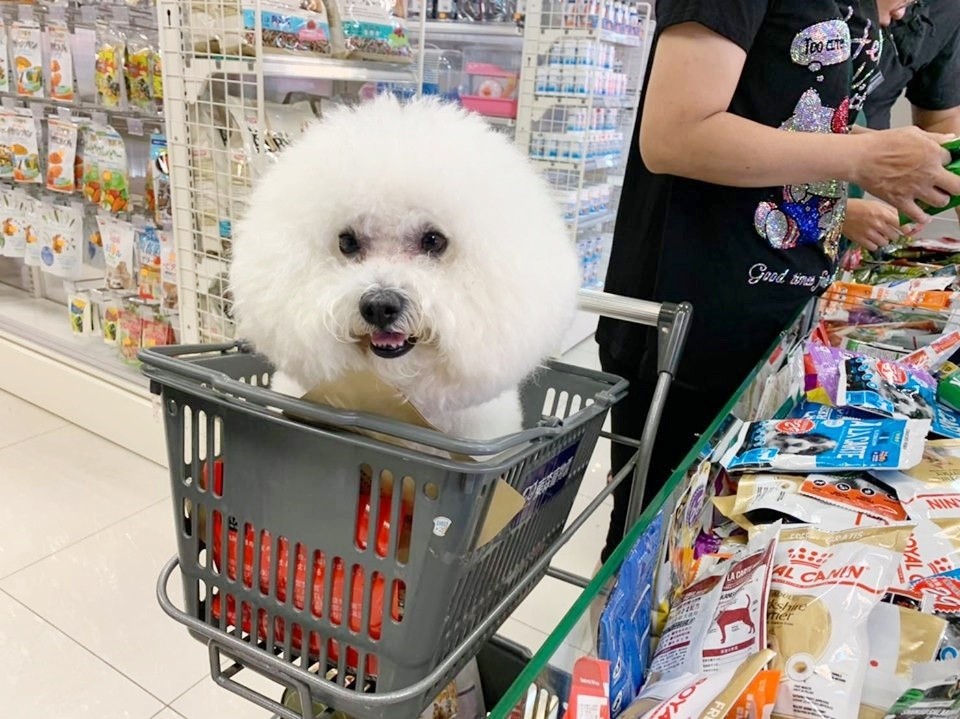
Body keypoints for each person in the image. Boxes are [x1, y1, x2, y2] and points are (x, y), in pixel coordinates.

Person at [596, 0, 960, 563]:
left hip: (775, 324)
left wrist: (858, 177)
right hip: (691, 329)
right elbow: (673, 135)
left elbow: (785, 113)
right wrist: (862, 156)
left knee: (727, 553)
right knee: (651, 557)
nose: (904, 16)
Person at [844, 0, 960, 252]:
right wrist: (834, 212)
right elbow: (765, 122)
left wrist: (935, 188)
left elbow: (941, 118)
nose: (899, 14)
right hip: (764, 203)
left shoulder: (948, 10)